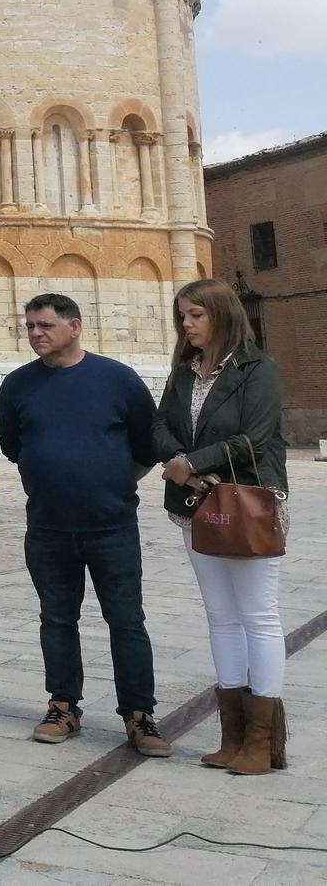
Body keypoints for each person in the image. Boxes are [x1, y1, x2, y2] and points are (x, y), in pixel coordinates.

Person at [0, 293, 168, 757]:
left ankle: (139, 714)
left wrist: (109, 481)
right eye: (30, 325)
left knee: (127, 621)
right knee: (56, 619)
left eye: (45, 325)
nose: (35, 334)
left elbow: (145, 446)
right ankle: (63, 706)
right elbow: (14, 446)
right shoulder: (16, 386)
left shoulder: (118, 380)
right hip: (48, 527)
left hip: (111, 526)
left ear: (75, 327)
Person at [154, 280, 289, 775]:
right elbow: (159, 426)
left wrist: (192, 461)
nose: (187, 324)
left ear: (222, 315)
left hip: (247, 502)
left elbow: (254, 435)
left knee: (259, 614)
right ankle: (232, 735)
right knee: (220, 615)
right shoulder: (183, 372)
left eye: (196, 315)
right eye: (182, 316)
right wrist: (177, 461)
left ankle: (262, 740)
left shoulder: (259, 370)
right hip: (195, 505)